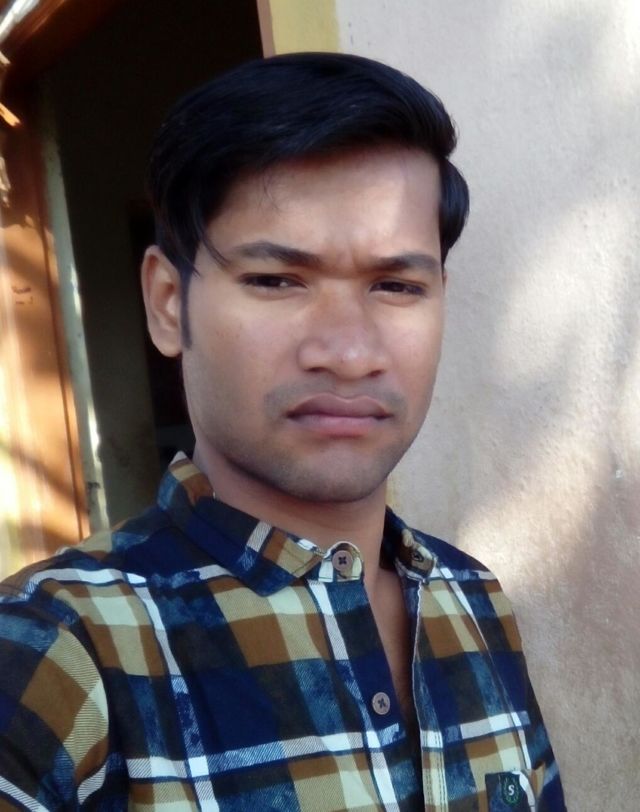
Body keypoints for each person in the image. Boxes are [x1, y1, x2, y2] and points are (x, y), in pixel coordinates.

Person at [0, 53, 565, 810]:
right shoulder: (52, 653)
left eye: (397, 286)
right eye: (275, 280)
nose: (349, 352)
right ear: (168, 303)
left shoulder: (473, 601)